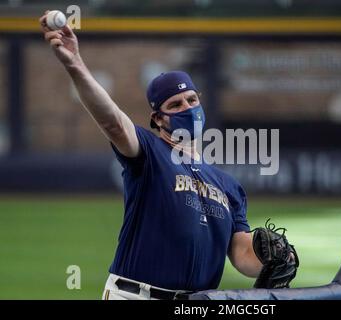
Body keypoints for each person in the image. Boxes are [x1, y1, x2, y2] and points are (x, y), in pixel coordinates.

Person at [39, 12, 264, 300]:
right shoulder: (149, 153)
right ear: (159, 120)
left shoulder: (228, 185)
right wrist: (75, 64)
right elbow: (113, 123)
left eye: (192, 100)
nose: (188, 107)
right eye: (176, 104)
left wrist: (273, 259)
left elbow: (243, 255)